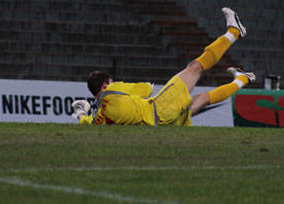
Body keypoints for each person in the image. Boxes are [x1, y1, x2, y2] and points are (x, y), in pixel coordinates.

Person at [72, 7, 256, 126]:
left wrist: (81, 112)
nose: (113, 82)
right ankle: (234, 31)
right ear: (104, 85)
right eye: (110, 81)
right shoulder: (111, 91)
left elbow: (84, 124)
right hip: (160, 109)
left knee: (201, 99)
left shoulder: (98, 120)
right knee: (195, 67)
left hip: (163, 126)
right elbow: (145, 90)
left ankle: (243, 78)